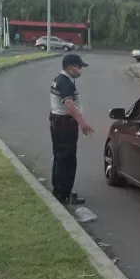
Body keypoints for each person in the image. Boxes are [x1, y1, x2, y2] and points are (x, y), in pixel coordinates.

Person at [50, 53, 94, 205]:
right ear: (70, 67)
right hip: (65, 124)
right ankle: (64, 194)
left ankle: (59, 190)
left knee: (60, 158)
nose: (80, 70)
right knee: (67, 160)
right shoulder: (65, 82)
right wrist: (82, 122)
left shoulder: (59, 80)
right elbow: (69, 104)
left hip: (58, 122)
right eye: (79, 67)